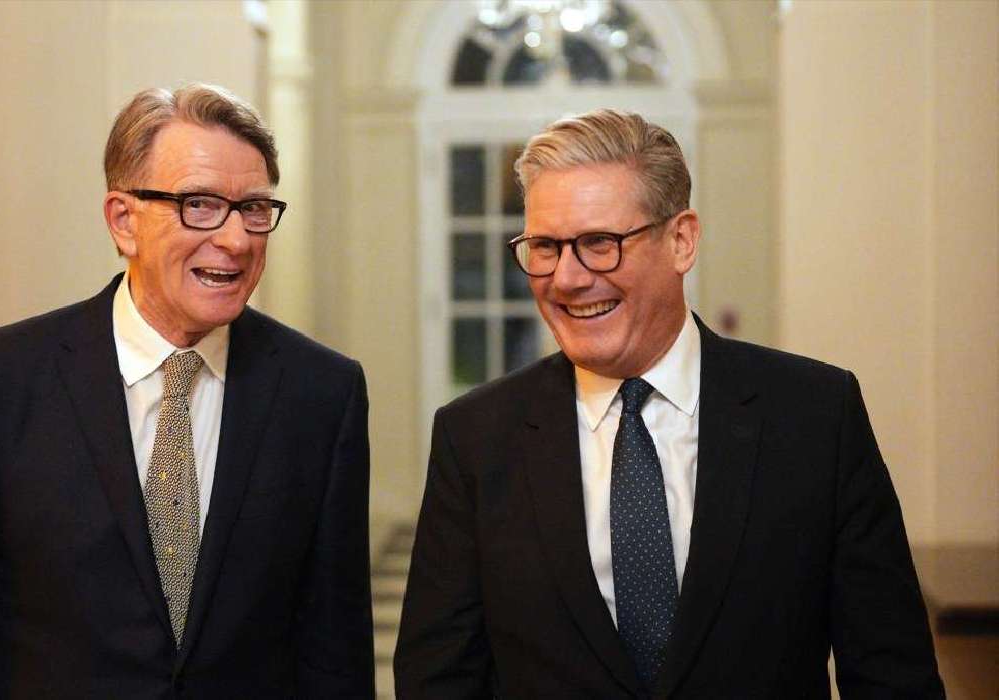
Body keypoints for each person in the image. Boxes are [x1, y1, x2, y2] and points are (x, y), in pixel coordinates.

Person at [394, 109, 942, 698]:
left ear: (681, 240)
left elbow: (892, 675)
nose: (568, 278)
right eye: (546, 247)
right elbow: (438, 680)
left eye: (600, 243)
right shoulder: (476, 438)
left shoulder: (815, 417)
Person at [0, 84, 374, 698]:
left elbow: (335, 650)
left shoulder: (322, 394)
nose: (237, 240)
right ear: (124, 221)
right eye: (200, 205)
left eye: (255, 209)